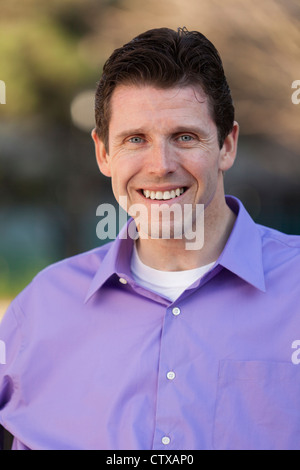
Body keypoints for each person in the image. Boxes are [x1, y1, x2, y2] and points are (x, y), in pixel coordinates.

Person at [0, 27, 300, 451]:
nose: (160, 166)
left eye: (185, 137)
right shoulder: (40, 308)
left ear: (227, 146)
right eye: (135, 139)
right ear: (104, 154)